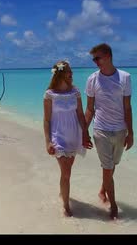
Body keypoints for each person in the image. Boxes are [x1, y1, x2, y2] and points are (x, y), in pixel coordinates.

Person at [84, 43, 134, 220]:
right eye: (93, 59)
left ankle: (102, 190)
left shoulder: (125, 78)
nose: (95, 62)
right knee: (107, 168)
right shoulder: (92, 79)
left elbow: (127, 107)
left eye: (97, 58)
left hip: (120, 130)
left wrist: (131, 132)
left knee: (113, 166)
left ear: (108, 56)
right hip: (101, 130)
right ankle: (113, 206)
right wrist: (84, 131)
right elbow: (89, 109)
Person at [43, 60, 91, 217]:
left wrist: (85, 133)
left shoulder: (75, 92)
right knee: (66, 172)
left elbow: (80, 114)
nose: (72, 73)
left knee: (67, 171)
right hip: (58, 136)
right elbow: (47, 120)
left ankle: (63, 193)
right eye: (69, 71)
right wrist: (48, 141)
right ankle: (66, 205)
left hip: (73, 136)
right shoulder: (49, 94)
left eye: (71, 71)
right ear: (60, 73)